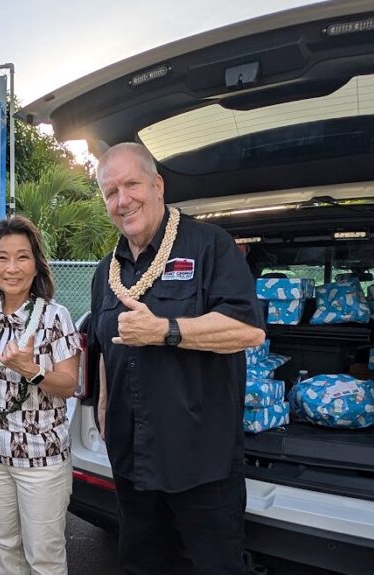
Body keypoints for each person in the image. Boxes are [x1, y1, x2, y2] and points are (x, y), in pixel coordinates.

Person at [89, 143, 266, 575]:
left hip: (201, 464)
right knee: (140, 565)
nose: (123, 199)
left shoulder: (210, 247)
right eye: (111, 192)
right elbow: (104, 345)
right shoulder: (104, 272)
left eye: (131, 184)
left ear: (158, 185)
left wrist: (167, 330)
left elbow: (248, 330)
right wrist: (104, 409)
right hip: (133, 461)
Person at [0, 216, 81, 575]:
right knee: (6, 549)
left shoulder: (55, 317)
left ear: (37, 265)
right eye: (2, 257)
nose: (12, 268)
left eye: (23, 257)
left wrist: (30, 370)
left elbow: (69, 385)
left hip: (41, 461)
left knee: (44, 558)